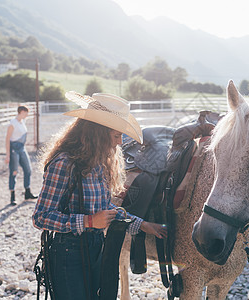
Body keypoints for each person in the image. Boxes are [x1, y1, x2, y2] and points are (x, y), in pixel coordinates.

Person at [32, 92, 167, 300]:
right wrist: (88, 221)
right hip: (68, 253)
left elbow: (106, 211)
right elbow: (41, 217)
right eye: (116, 135)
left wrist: (142, 225)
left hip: (96, 247)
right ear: (97, 133)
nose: (120, 142)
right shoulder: (64, 163)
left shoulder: (99, 164)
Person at [5, 105, 38, 206]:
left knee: (28, 169)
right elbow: (7, 139)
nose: (27, 114)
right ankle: (12, 196)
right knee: (14, 171)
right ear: (22, 112)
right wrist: (8, 154)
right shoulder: (12, 123)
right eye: (26, 112)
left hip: (22, 148)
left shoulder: (22, 122)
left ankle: (27, 192)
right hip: (14, 149)